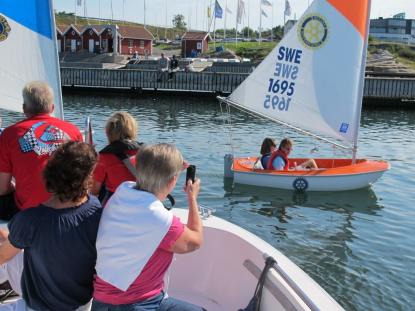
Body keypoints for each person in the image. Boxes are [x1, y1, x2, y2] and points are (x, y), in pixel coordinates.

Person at [92, 144, 205, 311]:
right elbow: (195, 241)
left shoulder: (121, 194)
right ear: (173, 180)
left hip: (100, 302)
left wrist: (168, 168)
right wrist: (192, 197)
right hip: (138, 304)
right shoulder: (158, 217)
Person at [0, 141, 102, 310]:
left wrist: (10, 239)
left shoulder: (30, 220)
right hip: (81, 303)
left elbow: (3, 257)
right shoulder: (95, 208)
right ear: (87, 178)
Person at [0, 81, 83, 220]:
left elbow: (2, 187)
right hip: (66, 206)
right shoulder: (73, 132)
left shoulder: (10, 134)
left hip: (27, 209)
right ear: (52, 108)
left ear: (24, 108)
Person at [91, 112, 141, 205]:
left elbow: (94, 191)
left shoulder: (104, 157)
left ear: (108, 132)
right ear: (133, 130)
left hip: (113, 204)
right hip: (140, 202)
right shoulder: (145, 152)